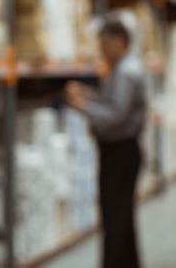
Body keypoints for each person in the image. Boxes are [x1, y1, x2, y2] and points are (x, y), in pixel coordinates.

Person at [65, 16, 146, 268]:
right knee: (122, 216)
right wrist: (90, 95)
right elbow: (113, 104)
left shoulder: (125, 72)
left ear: (119, 42)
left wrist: (83, 106)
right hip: (123, 151)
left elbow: (116, 115)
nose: (101, 49)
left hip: (120, 153)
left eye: (104, 44)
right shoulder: (124, 69)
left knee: (115, 218)